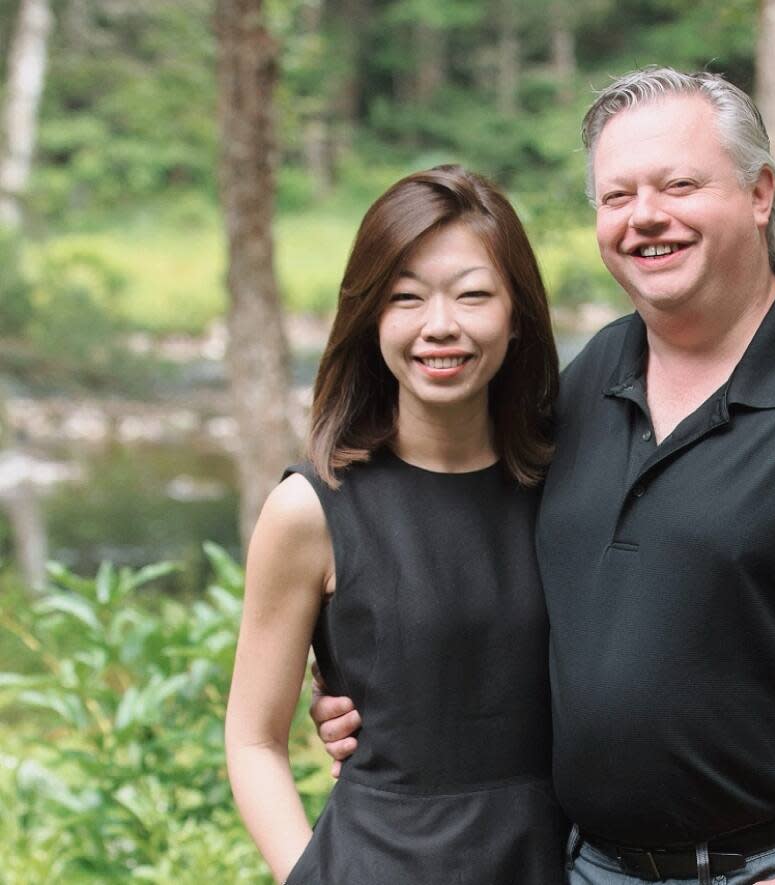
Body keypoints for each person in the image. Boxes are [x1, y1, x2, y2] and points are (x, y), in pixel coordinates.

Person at [312, 68, 775, 885]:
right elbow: (501, 578)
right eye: (617, 196)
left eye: (679, 184)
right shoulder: (589, 378)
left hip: (765, 867)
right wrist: (391, 694)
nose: (646, 216)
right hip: (579, 863)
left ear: (760, 193)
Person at [224, 165, 567, 885]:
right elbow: (254, 738)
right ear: (370, 316)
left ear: (517, 313)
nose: (440, 325)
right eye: (406, 298)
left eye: (473, 294)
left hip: (555, 862)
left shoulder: (573, 482)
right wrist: (315, 873)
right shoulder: (313, 508)